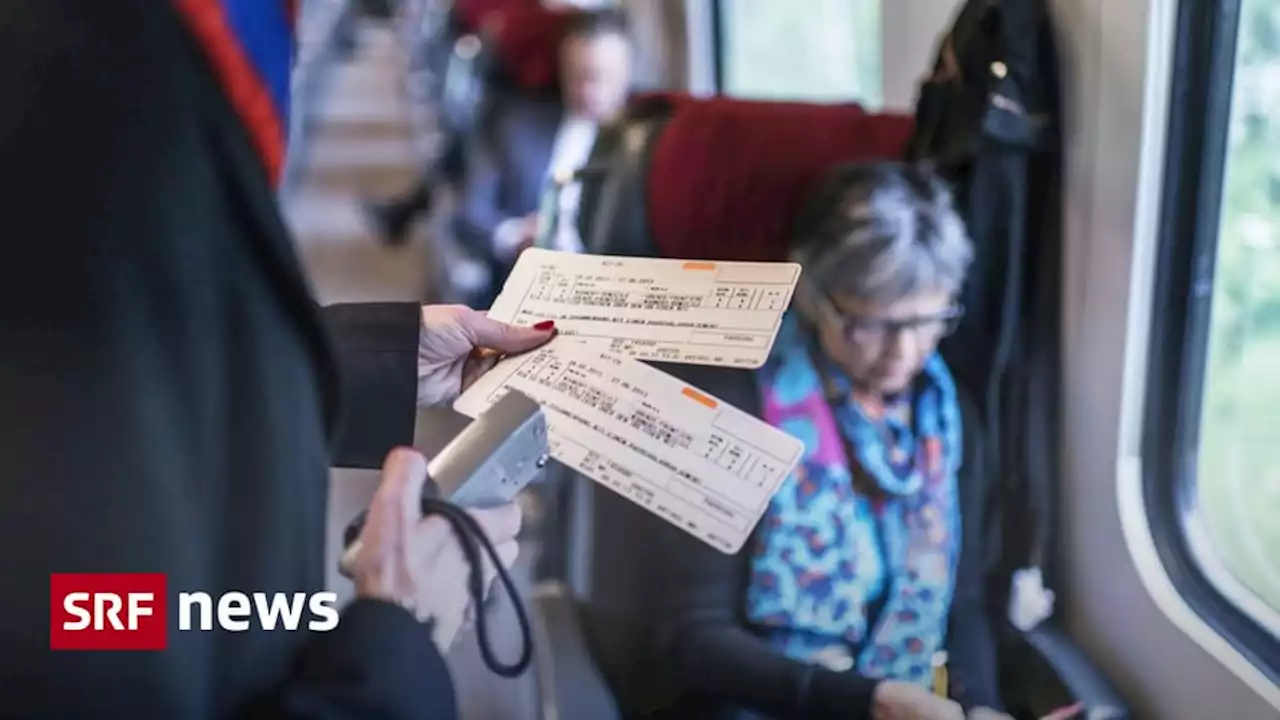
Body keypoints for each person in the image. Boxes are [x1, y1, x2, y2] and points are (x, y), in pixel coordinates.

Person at [0, 1, 552, 717]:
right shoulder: (87, 74)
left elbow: (132, 596)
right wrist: (397, 641)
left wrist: (372, 362)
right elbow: (87, 631)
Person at [652, 163, 1009, 720]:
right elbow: (693, 636)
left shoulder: (948, 418)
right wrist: (867, 702)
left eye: (927, 321)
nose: (904, 352)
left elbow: (962, 606)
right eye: (872, 324)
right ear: (816, 297)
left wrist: (981, 704)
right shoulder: (733, 407)